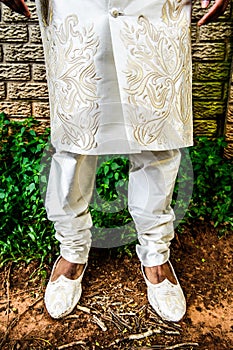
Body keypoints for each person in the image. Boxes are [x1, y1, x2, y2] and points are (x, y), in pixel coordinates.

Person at [1, 0, 229, 321]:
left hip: (153, 8)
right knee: (74, 139)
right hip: (76, 9)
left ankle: (155, 254)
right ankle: (72, 249)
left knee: (158, 136)